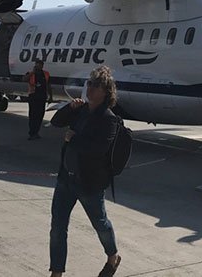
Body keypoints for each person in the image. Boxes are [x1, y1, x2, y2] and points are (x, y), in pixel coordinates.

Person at [49, 65, 121, 277]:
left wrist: (74, 138)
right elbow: (56, 122)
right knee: (58, 228)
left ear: (106, 92)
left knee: (100, 224)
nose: (90, 88)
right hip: (66, 179)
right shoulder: (80, 110)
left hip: (89, 183)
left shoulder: (108, 119)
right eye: (89, 83)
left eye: (96, 85)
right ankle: (57, 272)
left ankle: (112, 256)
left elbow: (98, 149)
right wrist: (69, 108)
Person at [25, 59, 52, 140]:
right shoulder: (30, 73)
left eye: (40, 65)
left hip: (42, 97)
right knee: (33, 115)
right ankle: (32, 133)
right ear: (35, 65)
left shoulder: (46, 74)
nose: (39, 66)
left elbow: (48, 85)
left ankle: (36, 132)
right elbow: (24, 79)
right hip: (33, 96)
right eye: (37, 65)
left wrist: (51, 96)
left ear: (42, 66)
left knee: (40, 115)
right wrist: (32, 73)